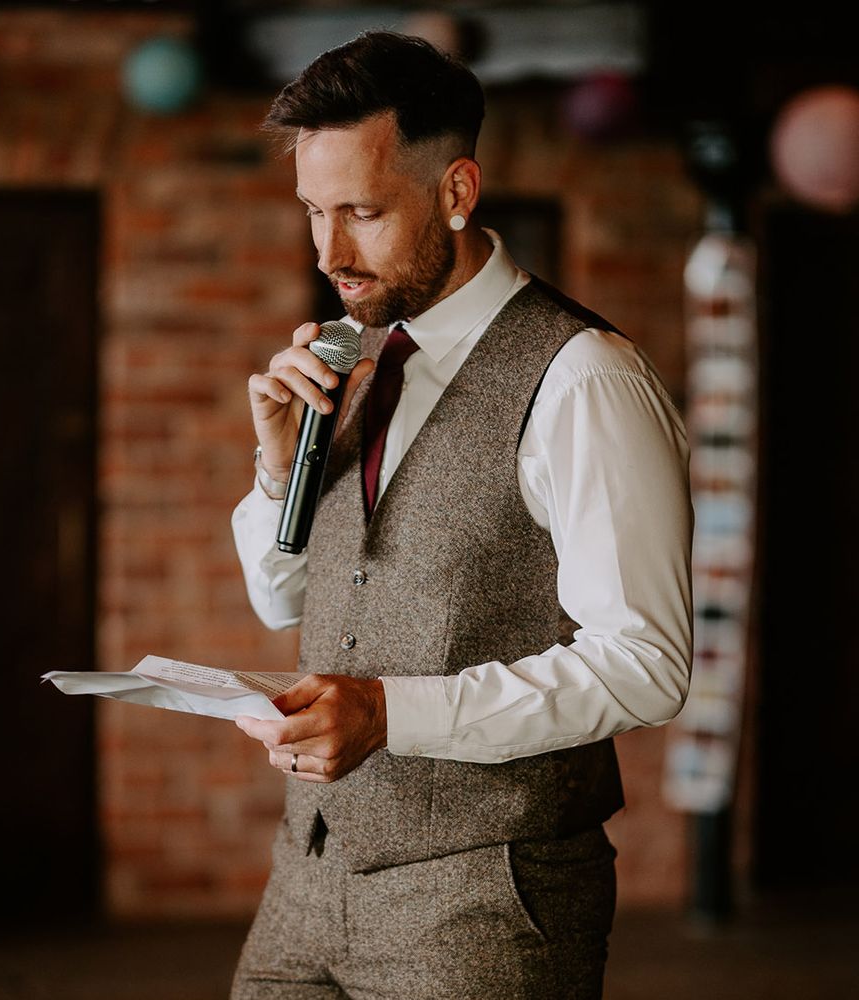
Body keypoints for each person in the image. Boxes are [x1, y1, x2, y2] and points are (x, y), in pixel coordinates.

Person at [230, 31, 692, 1000]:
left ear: (456, 190)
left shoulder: (584, 379)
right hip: (303, 881)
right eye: (314, 211)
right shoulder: (356, 354)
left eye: (362, 212)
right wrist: (277, 468)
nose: (329, 254)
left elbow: (645, 664)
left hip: (485, 901)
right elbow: (283, 600)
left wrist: (389, 712)